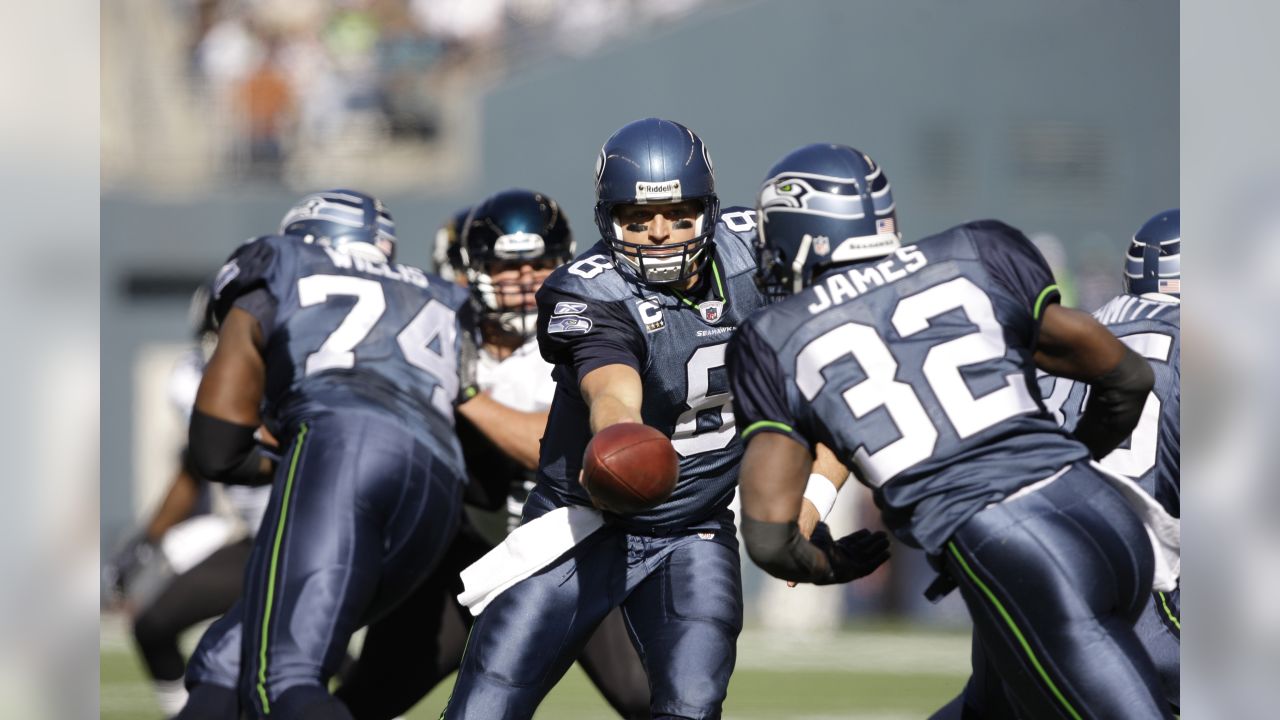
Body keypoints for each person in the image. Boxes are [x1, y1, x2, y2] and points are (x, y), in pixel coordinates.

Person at [726, 143, 1178, 719]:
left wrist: (831, 565)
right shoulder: (978, 250)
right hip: (1109, 516)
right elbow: (1126, 375)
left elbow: (768, 537)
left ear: (801, 234)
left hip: (1012, 543)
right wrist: (1070, 463)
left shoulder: (774, 335)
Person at [442, 119, 869, 720]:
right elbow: (612, 390)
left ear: (709, 210)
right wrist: (624, 437)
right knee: (484, 710)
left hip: (692, 529)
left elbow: (844, 387)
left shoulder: (761, 256)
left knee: (693, 705)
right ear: (608, 220)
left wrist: (809, 505)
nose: (661, 234)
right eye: (637, 220)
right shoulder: (589, 290)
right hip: (581, 527)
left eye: (678, 214)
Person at [335, 189, 651, 719]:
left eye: (539, 264)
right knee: (366, 699)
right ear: (474, 270)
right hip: (473, 553)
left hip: (573, 549)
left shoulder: (579, 332)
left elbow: (546, 445)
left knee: (649, 700)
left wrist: (465, 397)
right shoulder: (443, 332)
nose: (525, 279)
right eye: (507, 266)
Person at [174, 189, 476, 720]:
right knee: (225, 660)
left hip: (342, 447)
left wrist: (275, 453)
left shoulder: (278, 262)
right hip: (439, 486)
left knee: (282, 678)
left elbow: (215, 449)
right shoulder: (441, 295)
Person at [104, 284, 273, 717]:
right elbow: (196, 467)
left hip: (314, 533)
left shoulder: (296, 375)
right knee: (154, 624)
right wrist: (143, 543)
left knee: (286, 655)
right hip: (260, 539)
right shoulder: (193, 380)